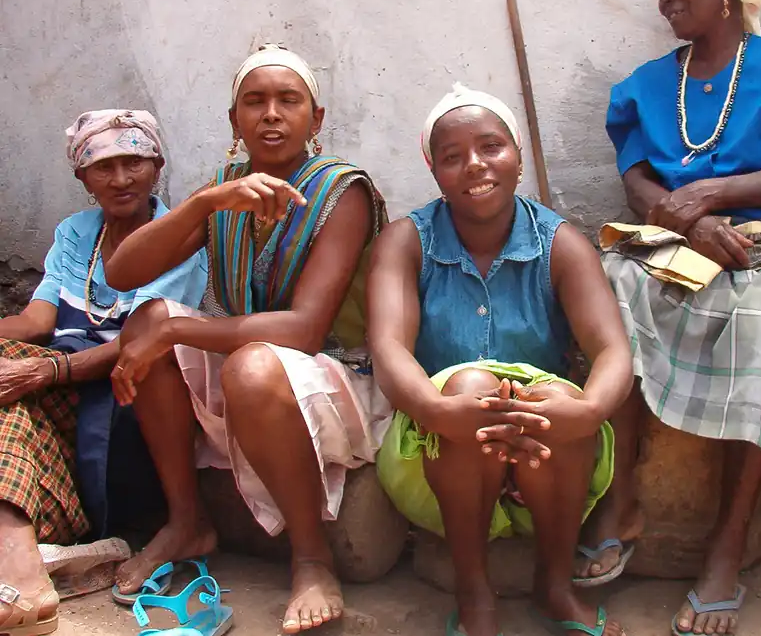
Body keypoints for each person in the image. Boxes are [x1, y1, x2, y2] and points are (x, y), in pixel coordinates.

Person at [586, 0, 761, 636]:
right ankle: (619, 502)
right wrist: (686, 219)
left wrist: (710, 196)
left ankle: (727, 546)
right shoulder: (645, 85)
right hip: (676, 240)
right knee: (611, 287)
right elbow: (637, 180)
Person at [102, 45, 392, 634]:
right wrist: (204, 203)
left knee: (242, 362)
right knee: (146, 320)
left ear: (317, 117)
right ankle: (186, 520)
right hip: (251, 364)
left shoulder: (344, 191)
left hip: (336, 374)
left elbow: (304, 330)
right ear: (234, 120)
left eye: (289, 101)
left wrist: (177, 329)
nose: (272, 115)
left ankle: (312, 557)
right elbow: (122, 273)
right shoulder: (227, 188)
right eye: (254, 102)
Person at [368, 84, 633, 636]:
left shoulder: (560, 243)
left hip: (548, 460)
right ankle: (474, 595)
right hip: (439, 455)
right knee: (469, 388)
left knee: (558, 397)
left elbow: (612, 350)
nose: (474, 165)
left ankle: (554, 586)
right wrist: (437, 412)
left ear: (516, 155)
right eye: (452, 156)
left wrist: (586, 413)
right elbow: (388, 349)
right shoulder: (406, 242)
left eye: (491, 147)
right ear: (434, 170)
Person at [0, 110, 207, 636]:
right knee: (12, 403)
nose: (120, 179)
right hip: (65, 384)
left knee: (16, 394)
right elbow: (37, 321)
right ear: (82, 177)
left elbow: (141, 342)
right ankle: (18, 556)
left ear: (157, 165)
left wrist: (45, 371)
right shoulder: (76, 233)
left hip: (128, 396)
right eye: (103, 167)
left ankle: (19, 563)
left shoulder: (177, 238)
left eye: (133, 162)